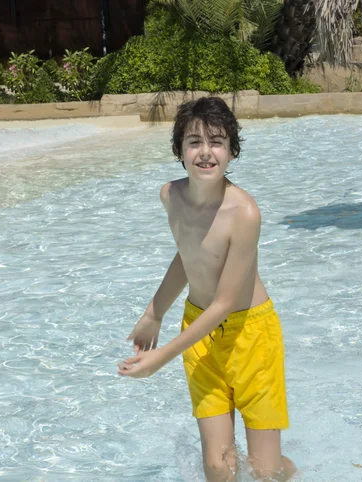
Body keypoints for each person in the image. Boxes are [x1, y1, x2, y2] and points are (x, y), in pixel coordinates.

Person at [118, 96, 296, 481]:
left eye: (216, 141)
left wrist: (161, 357)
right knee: (219, 465)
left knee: (265, 472)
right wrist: (154, 313)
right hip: (199, 332)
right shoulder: (172, 196)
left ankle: (289, 471)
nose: (205, 152)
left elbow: (226, 302)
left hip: (251, 334)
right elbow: (190, 256)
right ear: (179, 151)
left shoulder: (244, 213)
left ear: (232, 151)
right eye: (194, 141)